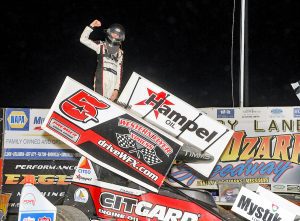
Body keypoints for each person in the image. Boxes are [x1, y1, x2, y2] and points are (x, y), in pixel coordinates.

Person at [80, 19, 125, 101]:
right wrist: (91, 26)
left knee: (110, 106)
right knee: (99, 102)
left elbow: (119, 71)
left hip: (113, 79)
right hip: (102, 77)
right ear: (109, 33)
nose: (115, 36)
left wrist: (116, 89)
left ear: (121, 37)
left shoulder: (120, 52)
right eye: (113, 33)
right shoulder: (101, 45)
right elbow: (83, 39)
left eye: (117, 35)